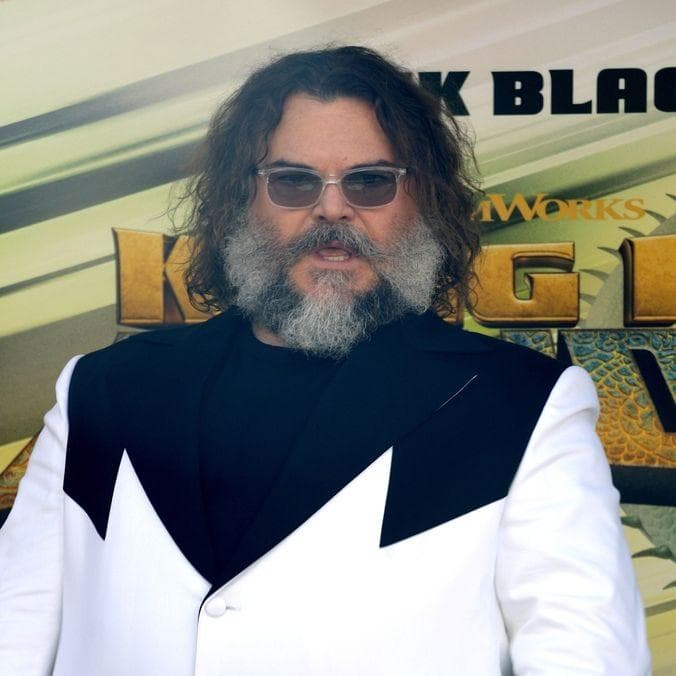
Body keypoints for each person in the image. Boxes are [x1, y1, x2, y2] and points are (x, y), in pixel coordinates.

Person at [0, 46, 650, 675]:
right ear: (239, 202)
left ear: (422, 202)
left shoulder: (524, 404)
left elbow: (586, 661)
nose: (332, 207)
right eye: (293, 181)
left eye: (370, 181)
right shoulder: (102, 390)